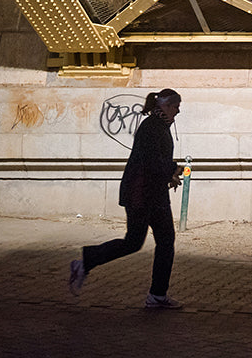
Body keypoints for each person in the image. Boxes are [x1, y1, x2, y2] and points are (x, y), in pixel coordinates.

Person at [69, 88, 185, 309]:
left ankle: (157, 294)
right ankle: (87, 262)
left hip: (149, 194)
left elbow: (153, 162)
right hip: (142, 194)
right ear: (166, 106)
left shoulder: (157, 126)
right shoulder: (152, 127)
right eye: (176, 106)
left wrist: (169, 173)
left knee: (156, 240)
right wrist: (172, 169)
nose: (178, 111)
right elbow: (151, 162)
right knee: (139, 241)